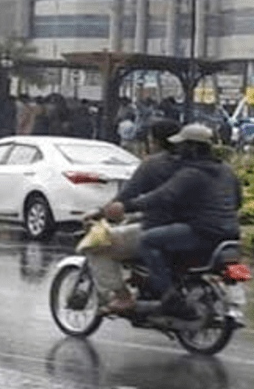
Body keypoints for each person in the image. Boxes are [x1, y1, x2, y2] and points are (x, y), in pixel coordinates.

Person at [102, 122, 243, 318]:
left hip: (201, 232)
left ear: (192, 148)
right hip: (230, 234)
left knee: (148, 240)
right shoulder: (226, 170)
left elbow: (162, 196)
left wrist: (127, 206)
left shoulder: (191, 174)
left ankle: (169, 296)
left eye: (182, 145)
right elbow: (238, 201)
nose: (179, 149)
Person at [88, 117, 183, 315]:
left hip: (159, 229)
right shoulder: (194, 165)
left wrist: (101, 212)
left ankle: (123, 297)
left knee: (97, 245)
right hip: (189, 229)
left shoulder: (152, 164)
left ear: (155, 141)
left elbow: (125, 196)